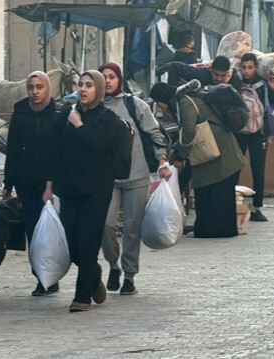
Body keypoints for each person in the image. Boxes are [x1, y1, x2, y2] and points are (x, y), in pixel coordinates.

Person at [46, 70, 122, 312]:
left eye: (89, 85)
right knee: (72, 243)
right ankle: (93, 273)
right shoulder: (66, 114)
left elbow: (95, 145)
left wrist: (79, 125)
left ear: (98, 90)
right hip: (69, 188)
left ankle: (82, 297)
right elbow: (54, 151)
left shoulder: (108, 118)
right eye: (81, 84)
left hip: (97, 190)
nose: (83, 89)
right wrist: (49, 185)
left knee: (88, 241)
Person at [97, 62, 171, 295]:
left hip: (137, 175)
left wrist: (161, 161)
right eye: (103, 77)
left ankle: (129, 276)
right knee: (105, 224)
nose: (107, 81)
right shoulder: (94, 107)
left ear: (119, 78)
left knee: (131, 227)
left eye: (111, 76)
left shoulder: (135, 105)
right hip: (107, 178)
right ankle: (113, 265)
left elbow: (155, 133)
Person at [150, 83, 246, 238]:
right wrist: (176, 148)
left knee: (214, 191)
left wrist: (180, 157)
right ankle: (217, 229)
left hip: (218, 149)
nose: (158, 106)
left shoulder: (184, 101)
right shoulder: (184, 100)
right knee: (215, 191)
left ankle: (210, 230)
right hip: (215, 150)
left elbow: (189, 130)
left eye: (157, 102)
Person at [3, 71, 67, 296]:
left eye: (39, 87)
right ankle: (41, 277)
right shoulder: (20, 113)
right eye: (31, 87)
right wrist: (8, 183)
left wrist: (55, 183)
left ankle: (53, 273)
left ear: (48, 88)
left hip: (54, 182)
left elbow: (62, 151)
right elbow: (12, 150)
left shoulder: (60, 113)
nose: (35, 92)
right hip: (26, 182)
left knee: (50, 230)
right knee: (33, 231)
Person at [234, 53, 274, 222]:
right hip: (239, 133)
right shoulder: (235, 84)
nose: (247, 71)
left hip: (258, 134)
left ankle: (257, 207)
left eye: (250, 67)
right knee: (234, 169)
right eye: (244, 67)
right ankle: (232, 204)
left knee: (258, 171)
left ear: (256, 68)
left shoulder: (264, 85)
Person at [166, 55, 242, 90]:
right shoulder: (202, 74)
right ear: (210, 69)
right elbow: (175, 66)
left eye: (223, 75)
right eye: (216, 74)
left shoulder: (234, 79)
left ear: (228, 73)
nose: (218, 78)